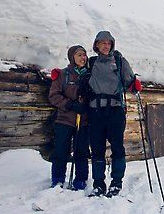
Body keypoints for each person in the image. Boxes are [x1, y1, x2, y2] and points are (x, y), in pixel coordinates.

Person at [85, 30, 142, 197]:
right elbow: (78, 75)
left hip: (115, 110)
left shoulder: (119, 61)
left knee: (117, 147)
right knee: (97, 148)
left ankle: (116, 182)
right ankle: (98, 184)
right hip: (95, 111)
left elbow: (129, 82)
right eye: (103, 43)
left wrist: (135, 85)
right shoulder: (91, 62)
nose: (106, 46)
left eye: (109, 43)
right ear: (96, 45)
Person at [48, 45, 91, 190]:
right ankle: (58, 179)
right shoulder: (63, 74)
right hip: (64, 119)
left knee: (81, 152)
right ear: (72, 57)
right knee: (61, 151)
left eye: (84, 55)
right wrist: (70, 105)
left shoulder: (90, 75)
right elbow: (53, 96)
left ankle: (81, 180)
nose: (82, 58)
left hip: (83, 121)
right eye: (79, 55)